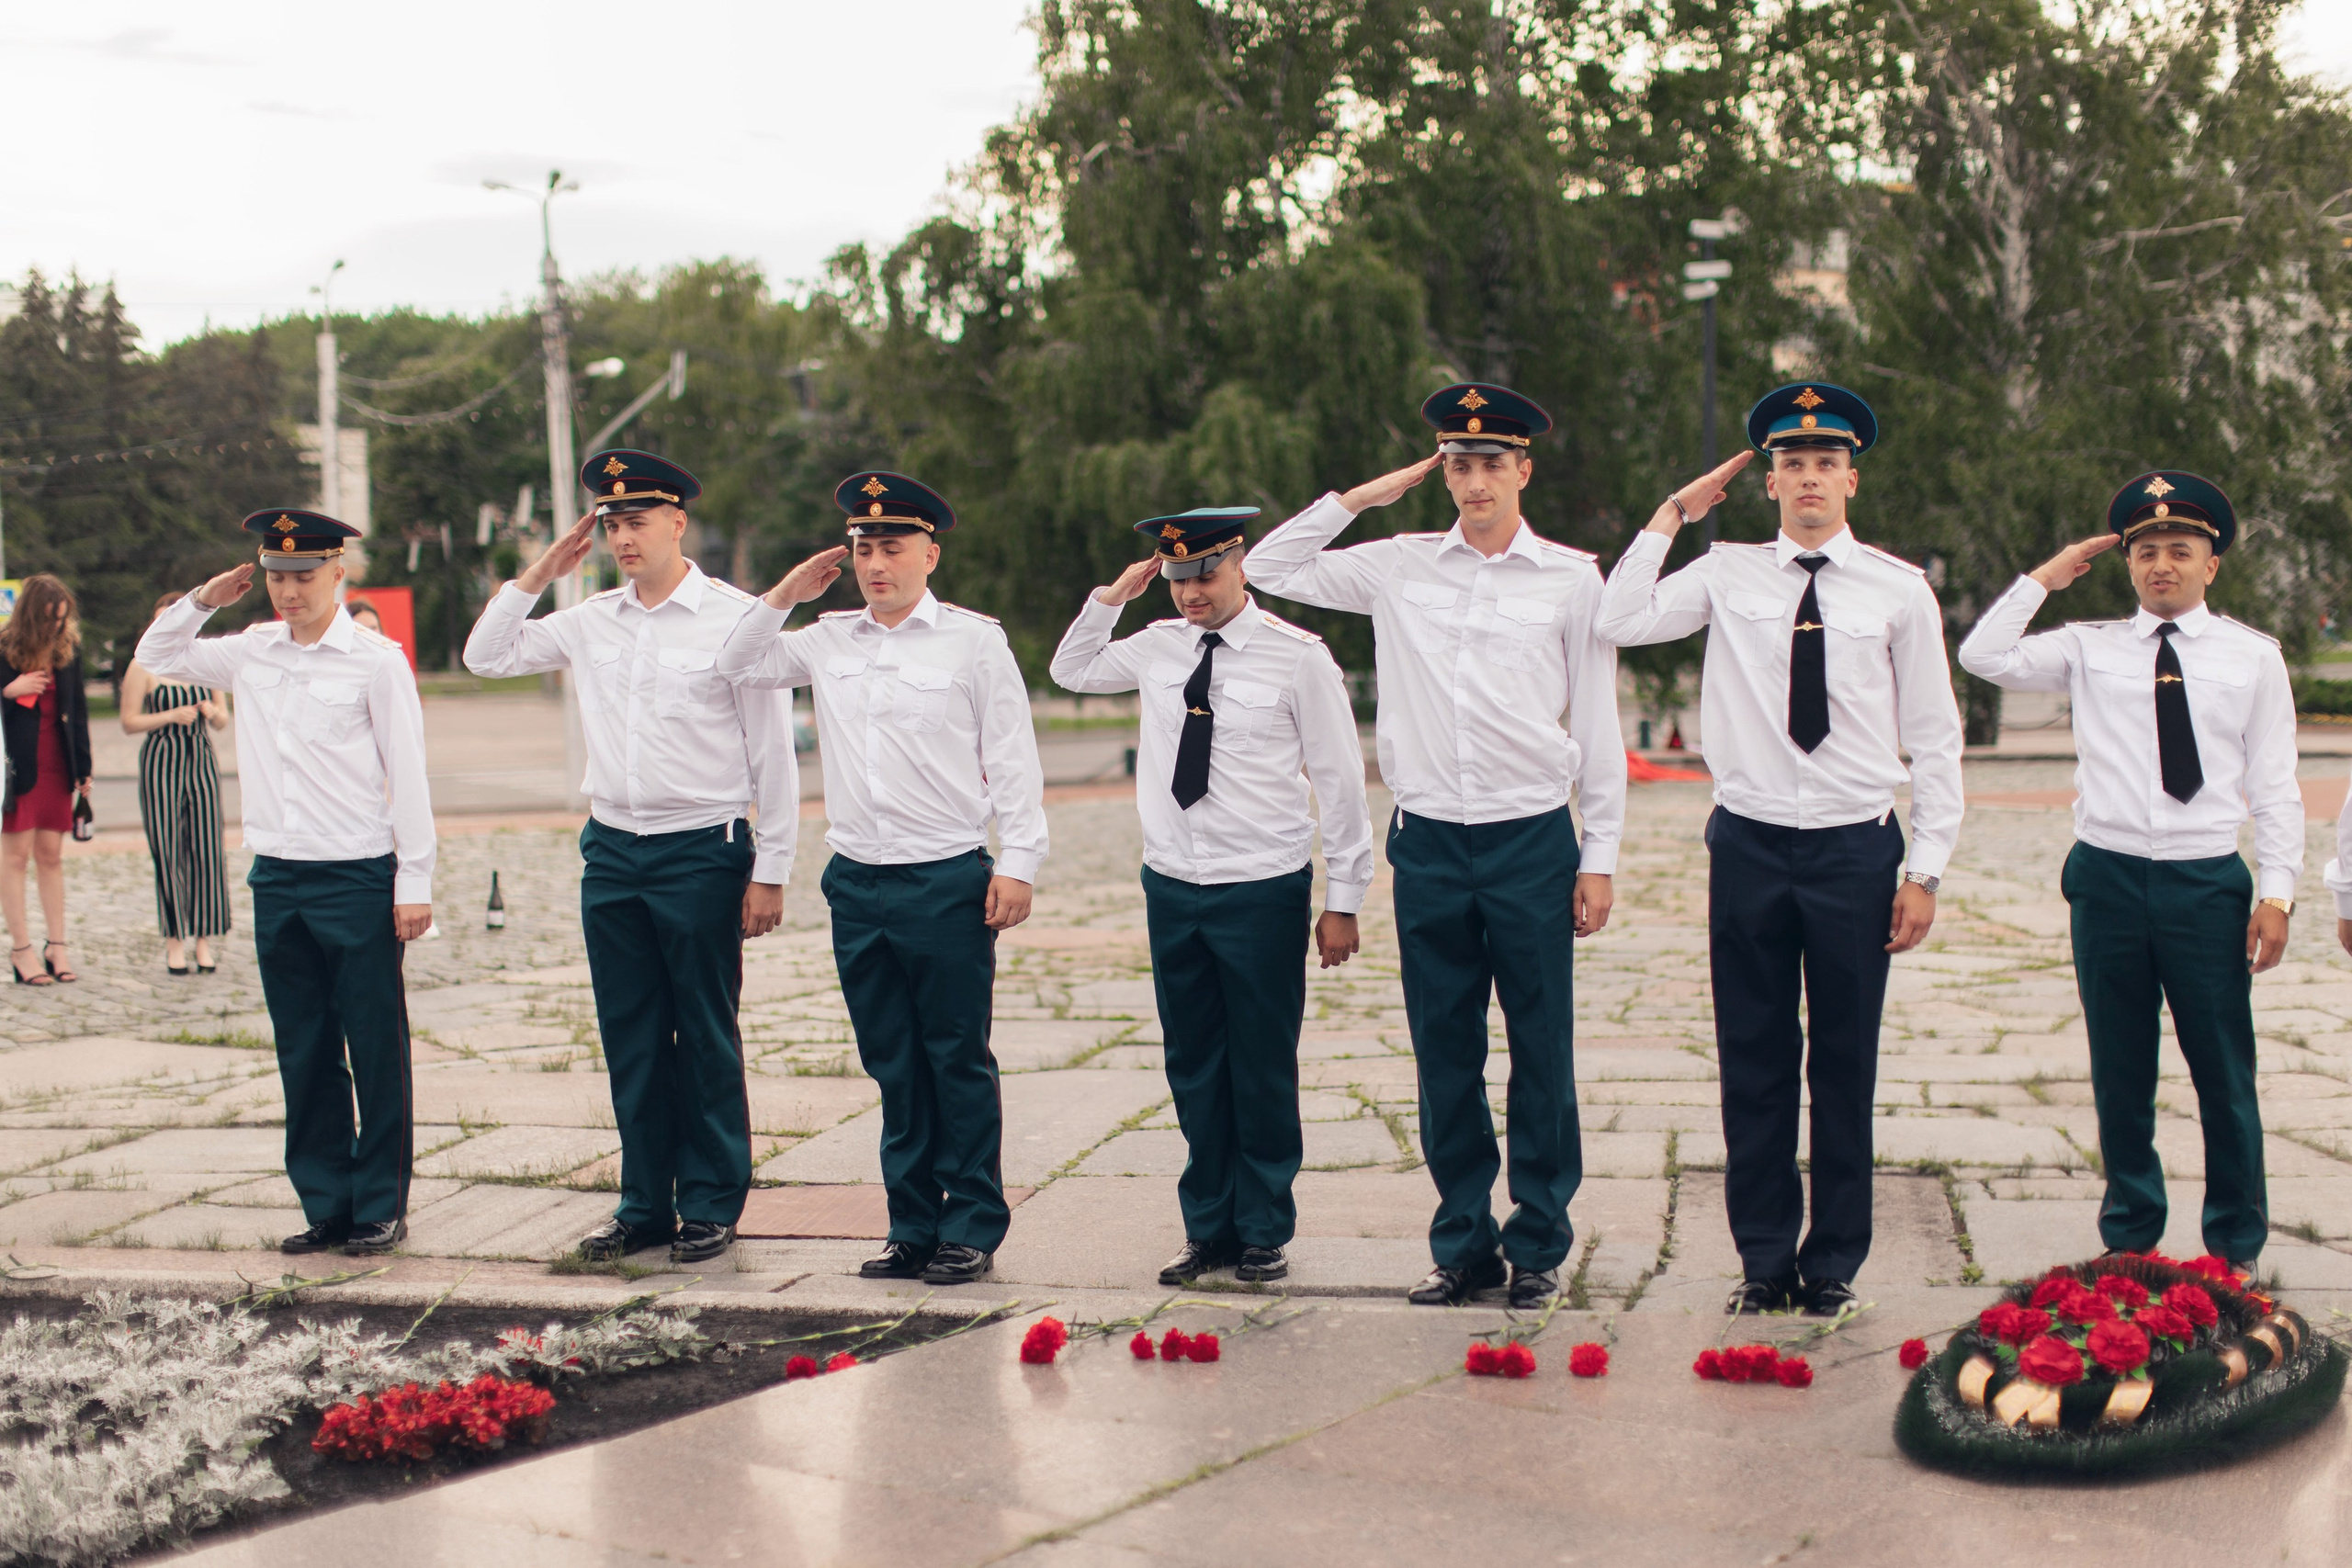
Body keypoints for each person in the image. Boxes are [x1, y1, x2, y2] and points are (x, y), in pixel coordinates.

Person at [1244, 385, 1626, 1310]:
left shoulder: (1571, 578)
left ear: (1524, 469)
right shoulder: (1398, 565)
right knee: (1443, 1050)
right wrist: (1365, 497)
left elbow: (1600, 717)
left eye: (1492, 461)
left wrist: (1599, 851)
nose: (1474, 478)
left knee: (1540, 1050)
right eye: (1457, 462)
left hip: (1530, 836)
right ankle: (1462, 1244)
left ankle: (1537, 1242)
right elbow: (1269, 563)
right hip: (1428, 843)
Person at [1596, 383, 1965, 1317]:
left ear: (1851, 479)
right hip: (1752, 845)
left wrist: (1924, 870)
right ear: (1767, 483)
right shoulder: (1724, 572)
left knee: (1844, 1063)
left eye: (1825, 463)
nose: (1809, 478)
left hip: (1855, 849)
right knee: (1752, 1058)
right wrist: (1674, 515)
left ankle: (1833, 1260)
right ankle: (1763, 1259)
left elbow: (1934, 733)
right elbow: (1618, 619)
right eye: (1792, 464)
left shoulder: (1896, 589)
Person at [464, 450, 797, 1268]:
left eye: (637, 521)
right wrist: (541, 571)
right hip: (612, 850)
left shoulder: (735, 617)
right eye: (610, 524)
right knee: (633, 1035)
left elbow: (773, 756)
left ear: (678, 521)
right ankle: (645, 1204)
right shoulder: (592, 617)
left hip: (702, 849)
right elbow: (486, 655)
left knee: (705, 1033)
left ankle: (713, 1203)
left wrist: (772, 868)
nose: (622, 537)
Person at [1961, 472, 2296, 1275]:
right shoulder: (2088, 646)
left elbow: (2277, 784)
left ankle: (2235, 1244)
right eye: (2146, 552)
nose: (2162, 566)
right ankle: (2131, 1232)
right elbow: (1982, 654)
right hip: (2108, 877)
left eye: (2181, 551)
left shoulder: (2253, 658)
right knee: (2120, 1065)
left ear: (2211, 564)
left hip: (2205, 881)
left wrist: (2277, 890)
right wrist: (2047, 577)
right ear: (2128, 564)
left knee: (2223, 1066)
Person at [718, 471, 1046, 1286]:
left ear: (931, 552)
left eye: (893, 546)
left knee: (956, 1058)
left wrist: (1019, 862)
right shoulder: (827, 638)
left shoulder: (974, 640)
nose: (876, 563)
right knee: (892, 1061)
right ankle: (911, 1225)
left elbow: (1012, 758)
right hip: (858, 881)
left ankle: (970, 1223)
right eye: (863, 548)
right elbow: (736, 662)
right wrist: (788, 591)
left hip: (945, 876)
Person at [1049, 507, 1375, 1286]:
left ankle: (1262, 1227)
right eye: (1175, 578)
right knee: (1194, 1063)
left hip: (1261, 884)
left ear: (1240, 565)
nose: (1190, 593)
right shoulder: (1157, 646)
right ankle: (1209, 1230)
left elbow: (1340, 783)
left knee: (1260, 1064)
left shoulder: (1298, 658)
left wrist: (1345, 897)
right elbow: (1071, 668)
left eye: (1204, 574)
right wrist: (1114, 595)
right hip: (1173, 882)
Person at [137, 510, 435, 1257]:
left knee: (373, 1045)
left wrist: (415, 878)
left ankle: (378, 1205)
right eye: (275, 576)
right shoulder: (250, 652)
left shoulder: (375, 660)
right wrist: (206, 597)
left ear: (339, 573)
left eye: (303, 576)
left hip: (357, 873)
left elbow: (409, 773)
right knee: (303, 1049)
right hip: (278, 876)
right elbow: (156, 652)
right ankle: (326, 1200)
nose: (287, 590)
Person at [120, 592, 232, 976]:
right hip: (161, 761)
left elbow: (223, 719)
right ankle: (174, 940)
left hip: (200, 759)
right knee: (168, 851)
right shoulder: (143, 666)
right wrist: (169, 715)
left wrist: (212, 711)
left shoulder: (203, 662)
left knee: (206, 848)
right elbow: (129, 722)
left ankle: (204, 939)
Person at [1, 573, 95, 986]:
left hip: (57, 763)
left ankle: (57, 946)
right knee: (15, 858)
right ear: (31, 615)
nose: (56, 626)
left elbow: (79, 710)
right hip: (17, 766)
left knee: (51, 856)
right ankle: (21, 951)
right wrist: (9, 689)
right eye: (49, 619)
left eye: (62, 618)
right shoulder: (4, 647)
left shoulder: (68, 648)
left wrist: (84, 768)